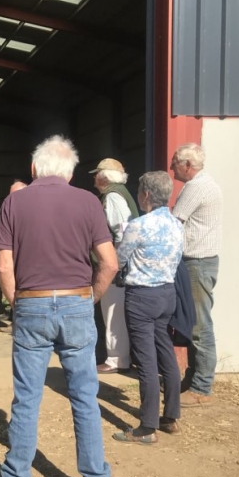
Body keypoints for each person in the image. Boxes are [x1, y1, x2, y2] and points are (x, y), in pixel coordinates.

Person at [0, 135, 124, 477]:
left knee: (27, 398)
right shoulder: (88, 201)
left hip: (32, 304)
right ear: (72, 171)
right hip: (77, 302)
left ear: (33, 169)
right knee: (84, 397)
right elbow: (109, 262)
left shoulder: (15, 202)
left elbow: (3, 265)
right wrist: (89, 298)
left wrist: (19, 304)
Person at [111, 171, 184, 444]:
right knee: (165, 350)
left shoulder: (138, 225)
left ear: (146, 195)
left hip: (142, 296)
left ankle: (147, 426)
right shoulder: (177, 224)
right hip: (167, 293)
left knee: (146, 361)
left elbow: (119, 259)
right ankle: (171, 416)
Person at [171, 143, 223, 407]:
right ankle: (193, 379)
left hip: (197, 262)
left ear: (187, 165)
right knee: (193, 322)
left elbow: (174, 221)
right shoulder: (204, 184)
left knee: (199, 325)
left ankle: (201, 387)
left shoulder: (195, 188)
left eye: (174, 164)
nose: (171, 169)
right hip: (200, 261)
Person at [90, 158, 139, 374]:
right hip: (120, 265)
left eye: (96, 174)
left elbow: (121, 233)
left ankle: (117, 359)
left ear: (104, 177)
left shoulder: (112, 197)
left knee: (112, 311)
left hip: (115, 267)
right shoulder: (118, 194)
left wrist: (115, 265)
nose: (94, 178)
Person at [0, 180, 27, 334]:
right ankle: (15, 320)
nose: (11, 198)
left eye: (14, 195)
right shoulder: (11, 211)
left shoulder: (30, 212)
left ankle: (20, 324)